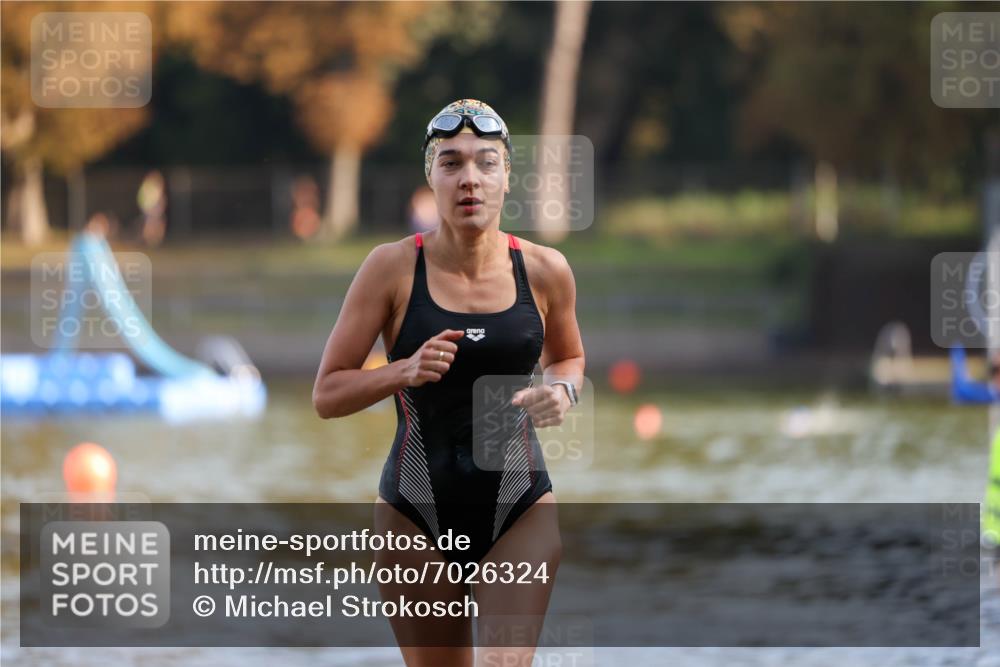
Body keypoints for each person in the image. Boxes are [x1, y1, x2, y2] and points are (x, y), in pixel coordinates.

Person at [313, 99, 585, 666]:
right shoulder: (390, 268)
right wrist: (403, 370)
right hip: (415, 515)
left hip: (519, 506)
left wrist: (562, 391)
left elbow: (568, 357)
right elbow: (327, 394)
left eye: (486, 163)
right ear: (431, 178)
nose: (470, 179)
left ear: (507, 177)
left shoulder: (545, 270)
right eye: (452, 163)